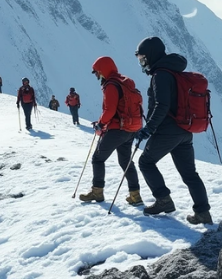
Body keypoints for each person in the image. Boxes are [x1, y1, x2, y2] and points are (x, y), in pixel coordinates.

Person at [134, 37, 212, 224]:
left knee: (145, 162)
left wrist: (149, 129)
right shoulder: (174, 71)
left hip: (168, 130)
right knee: (189, 174)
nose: (142, 62)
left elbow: (162, 105)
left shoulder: (160, 75)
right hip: (184, 131)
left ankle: (164, 200)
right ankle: (203, 213)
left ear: (151, 54)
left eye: (143, 57)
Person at [79, 56, 144, 205]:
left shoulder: (111, 85)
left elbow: (110, 110)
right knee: (125, 161)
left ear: (103, 71)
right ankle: (135, 195)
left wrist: (100, 124)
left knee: (98, 158)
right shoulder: (124, 82)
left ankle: (97, 192)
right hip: (130, 129)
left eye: (97, 72)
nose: (96, 76)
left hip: (117, 130)